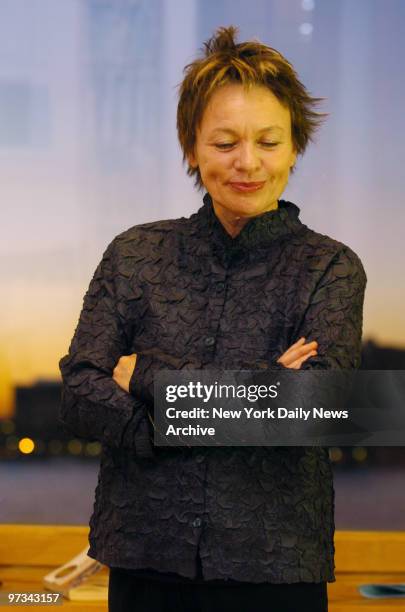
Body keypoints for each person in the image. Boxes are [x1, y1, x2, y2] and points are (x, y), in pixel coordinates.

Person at [59, 26, 366, 612]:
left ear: (296, 146)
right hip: (142, 556)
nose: (247, 163)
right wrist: (256, 389)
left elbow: (313, 410)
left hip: (277, 570)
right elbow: (78, 392)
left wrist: (151, 380)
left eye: (269, 142)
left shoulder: (332, 266)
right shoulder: (136, 252)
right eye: (224, 143)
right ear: (192, 148)